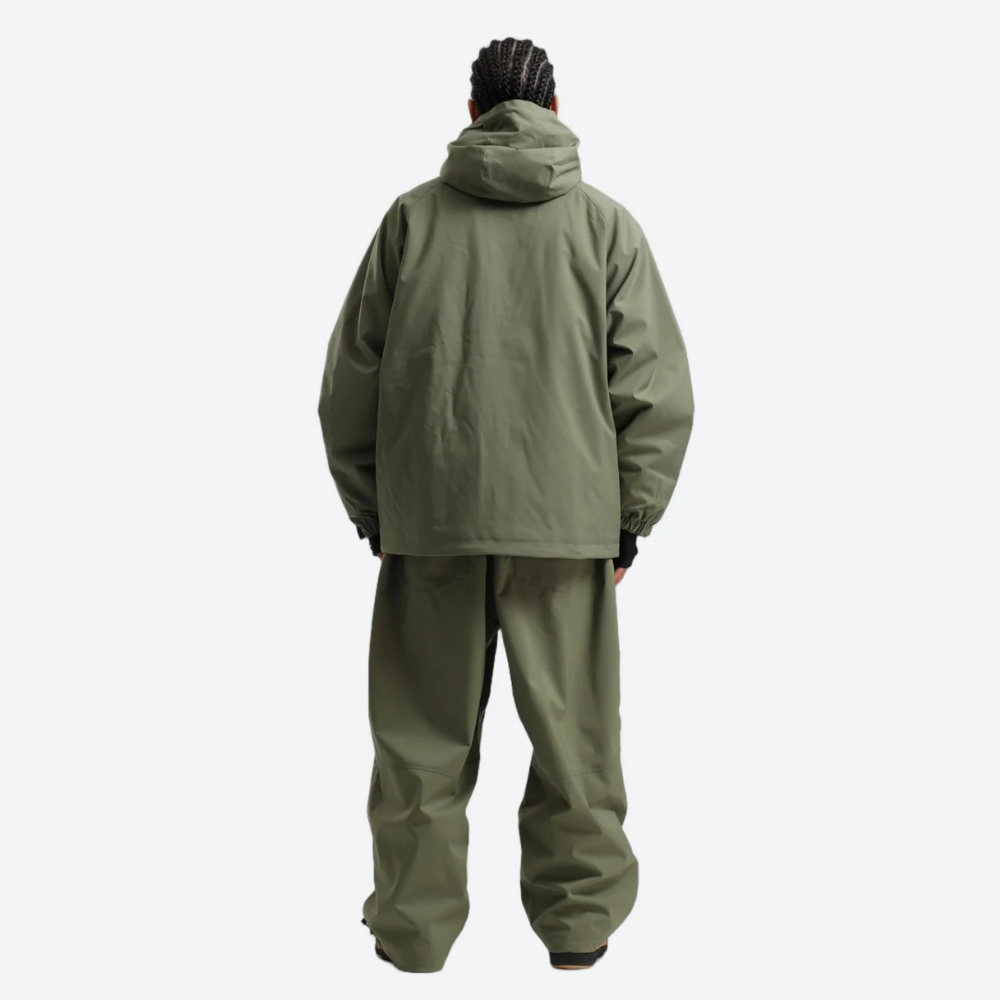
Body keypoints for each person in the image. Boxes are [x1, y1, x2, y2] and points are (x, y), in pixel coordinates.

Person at [318, 37, 694, 973]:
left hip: (431, 523)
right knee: (576, 743)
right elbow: (653, 391)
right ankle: (579, 930)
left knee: (420, 746)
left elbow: (349, 384)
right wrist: (628, 522)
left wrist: (375, 510)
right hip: (566, 531)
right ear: (555, 107)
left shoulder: (411, 221)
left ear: (471, 111)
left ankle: (412, 938)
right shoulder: (605, 228)